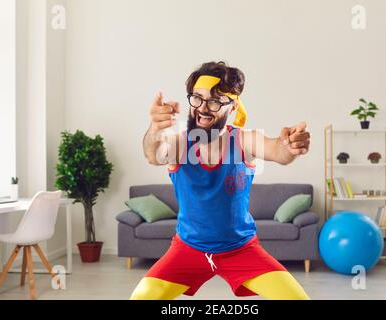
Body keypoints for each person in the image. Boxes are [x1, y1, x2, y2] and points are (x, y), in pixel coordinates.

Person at [132, 61, 311, 300]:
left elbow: (279, 151)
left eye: (215, 101)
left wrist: (290, 145)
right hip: (187, 250)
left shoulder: (245, 141)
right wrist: (155, 129)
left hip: (241, 251)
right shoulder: (178, 144)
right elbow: (152, 155)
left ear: (233, 105)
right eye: (197, 98)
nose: (203, 109)